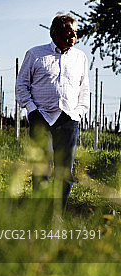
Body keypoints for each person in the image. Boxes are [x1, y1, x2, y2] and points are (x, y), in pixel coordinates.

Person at [15, 12, 90, 208]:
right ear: (54, 33)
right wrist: (32, 111)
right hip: (42, 118)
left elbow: (84, 88)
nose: (73, 36)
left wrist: (79, 112)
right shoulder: (35, 54)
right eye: (67, 32)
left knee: (65, 171)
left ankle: (57, 215)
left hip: (69, 119)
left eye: (75, 32)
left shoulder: (80, 57)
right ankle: (40, 214)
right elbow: (21, 85)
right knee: (42, 169)